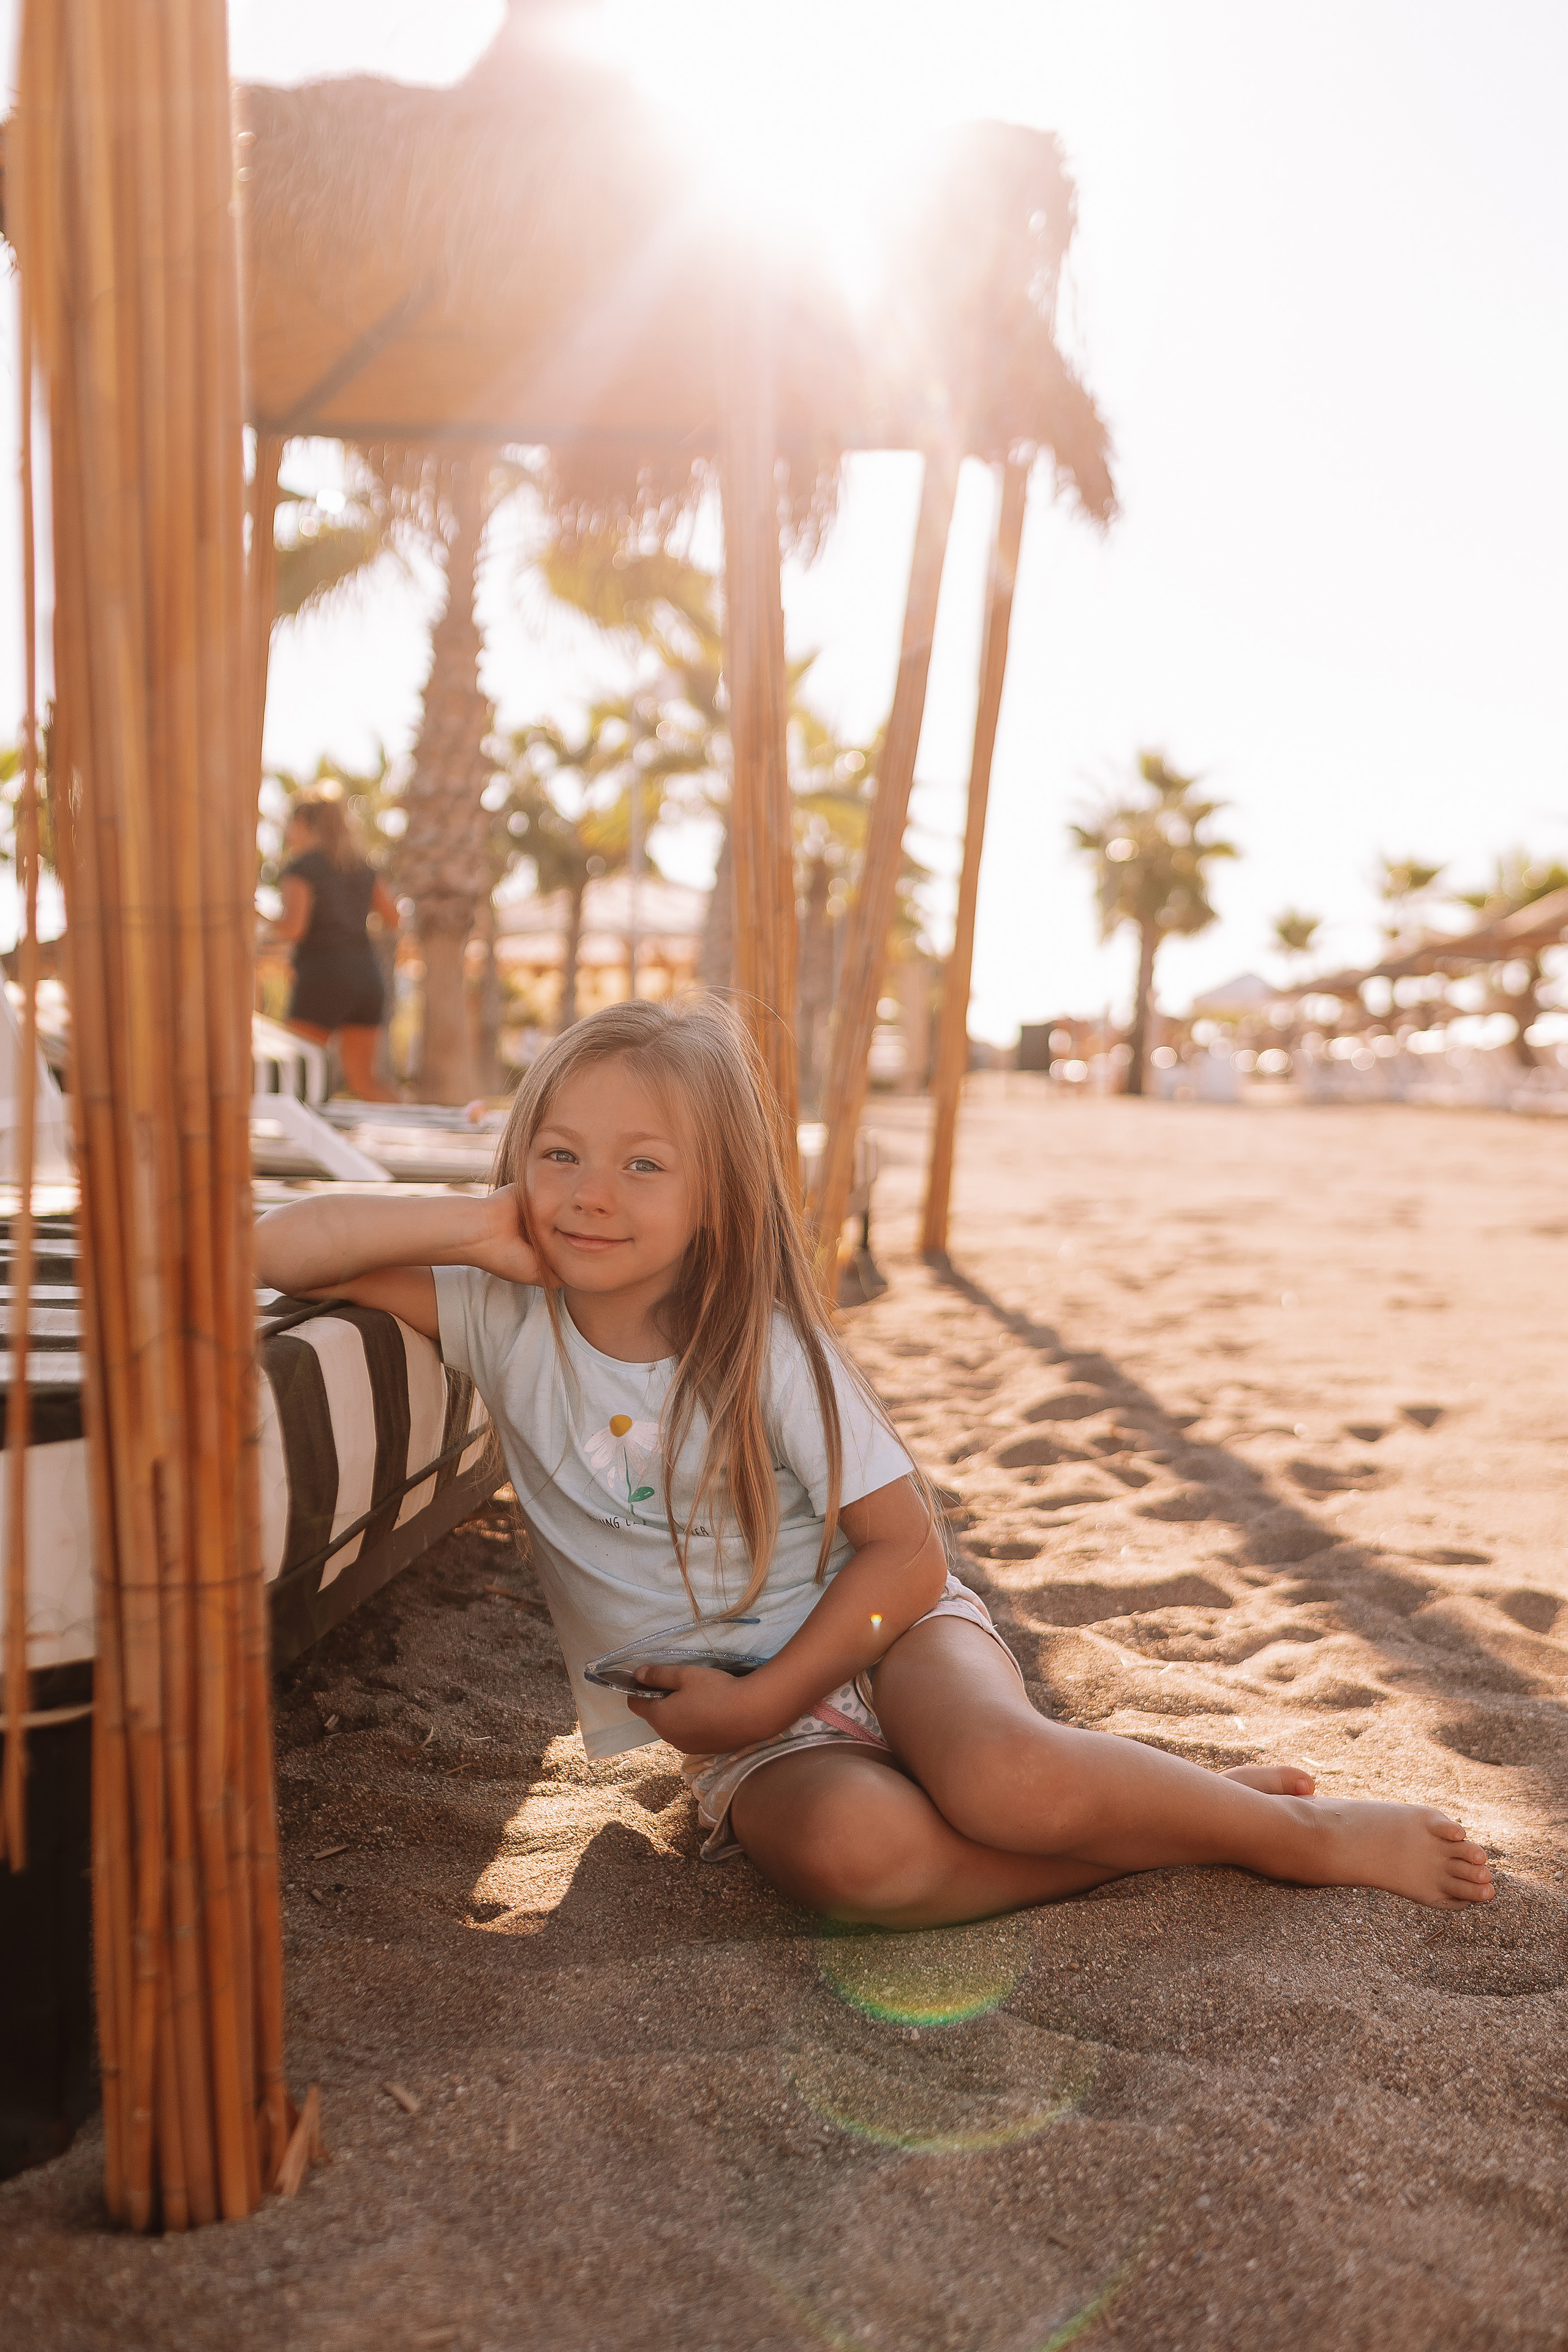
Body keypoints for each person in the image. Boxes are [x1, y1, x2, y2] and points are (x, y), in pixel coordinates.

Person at [252, 998, 1494, 1925]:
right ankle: (1180, 1820)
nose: (589, 1194)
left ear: (716, 1199)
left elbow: (905, 1550)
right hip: (754, 1745)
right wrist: (477, 1221)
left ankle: (1292, 1835)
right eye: (559, 1154)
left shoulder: (761, 1347)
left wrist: (769, 1685)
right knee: (859, 1867)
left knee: (1003, 1778)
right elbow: (283, 1249)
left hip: (887, 1638)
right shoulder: (495, 1312)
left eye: (643, 1164)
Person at [268, 795, 399, 1102]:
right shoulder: (363, 868)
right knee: (365, 1083)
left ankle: (300, 1145)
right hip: (366, 976)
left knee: (294, 1072)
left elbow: (293, 928)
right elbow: (394, 918)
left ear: (303, 824)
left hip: (323, 977)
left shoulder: (301, 868)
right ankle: (422, 1135)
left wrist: (258, 920)